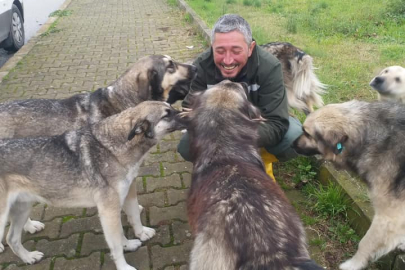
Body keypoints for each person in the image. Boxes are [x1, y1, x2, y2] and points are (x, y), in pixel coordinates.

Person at [177, 14, 302, 177]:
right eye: (220, 51)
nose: (228, 61)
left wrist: (235, 135)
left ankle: (259, 159)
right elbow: (188, 106)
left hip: (256, 124)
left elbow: (277, 123)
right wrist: (213, 126)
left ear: (250, 48)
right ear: (212, 46)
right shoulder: (201, 65)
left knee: (293, 137)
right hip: (215, 126)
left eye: (236, 51)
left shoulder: (269, 67)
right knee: (186, 148)